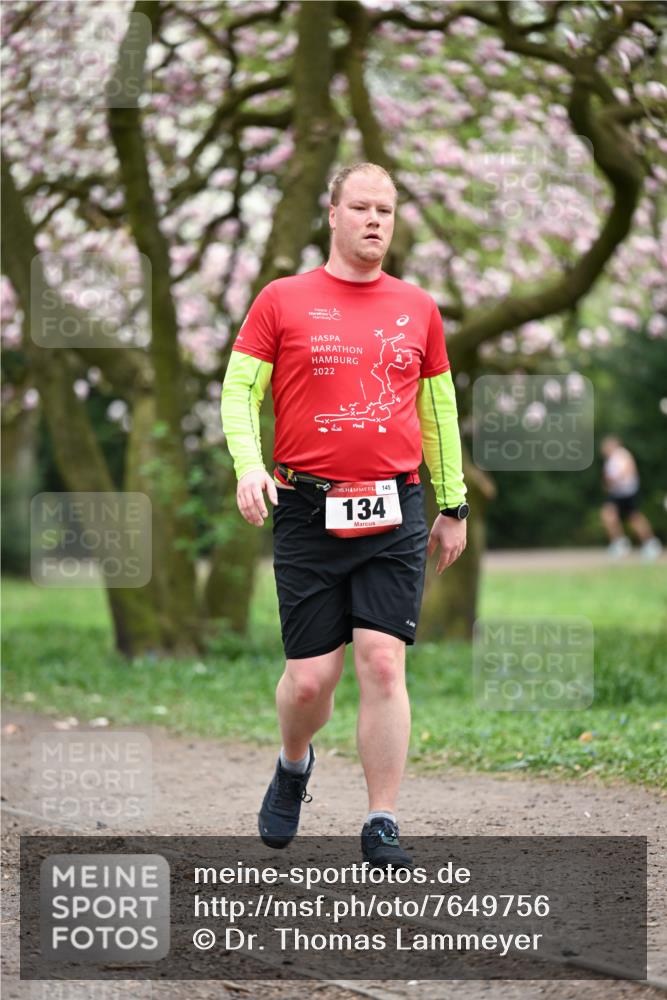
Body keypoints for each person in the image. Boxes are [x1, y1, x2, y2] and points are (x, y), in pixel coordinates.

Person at [220, 162, 468, 868]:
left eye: (384, 209)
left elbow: (438, 411)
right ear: (332, 215)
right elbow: (238, 392)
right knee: (309, 681)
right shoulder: (282, 299)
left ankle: (380, 820)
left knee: (383, 664)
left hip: (395, 506)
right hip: (306, 508)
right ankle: (293, 763)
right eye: (360, 207)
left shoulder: (417, 308)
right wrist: (248, 465)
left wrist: (452, 503)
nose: (373, 220)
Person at [600, 435, 662, 560]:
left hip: (627, 492)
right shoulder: (610, 459)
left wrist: (615, 479)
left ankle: (650, 543)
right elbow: (607, 477)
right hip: (616, 493)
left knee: (634, 518)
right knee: (608, 515)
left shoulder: (622, 454)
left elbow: (628, 470)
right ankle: (619, 543)